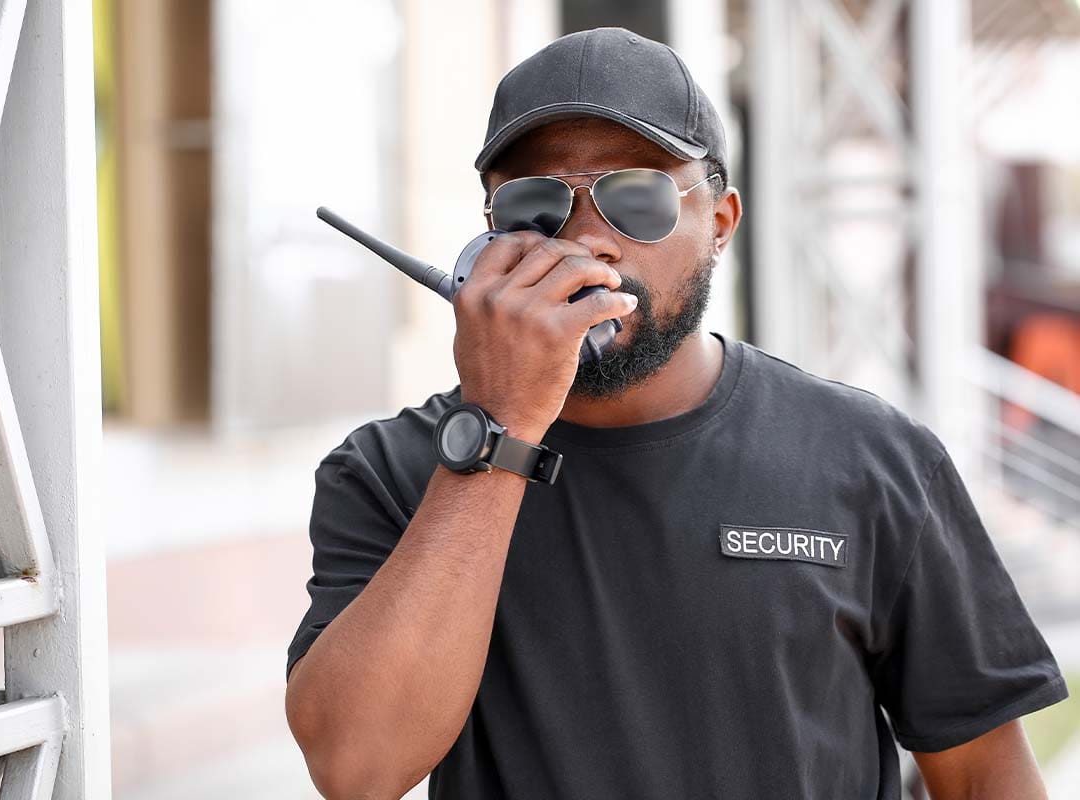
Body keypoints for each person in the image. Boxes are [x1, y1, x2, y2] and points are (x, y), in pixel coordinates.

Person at [284, 26, 1068, 800]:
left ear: (720, 223)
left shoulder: (873, 457)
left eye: (637, 196)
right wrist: (500, 428)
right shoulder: (391, 470)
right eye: (534, 203)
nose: (590, 240)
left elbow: (982, 778)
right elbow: (358, 769)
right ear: (487, 237)